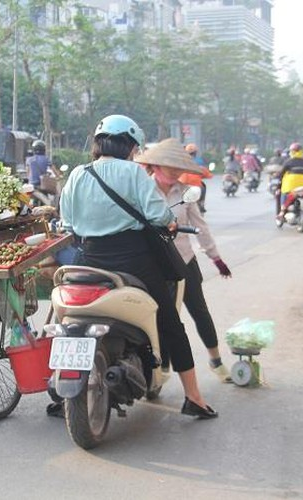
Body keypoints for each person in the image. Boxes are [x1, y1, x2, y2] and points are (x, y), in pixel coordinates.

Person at [60, 115, 217, 419]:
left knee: (62, 318)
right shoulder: (133, 173)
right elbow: (159, 216)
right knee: (171, 323)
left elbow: (67, 221)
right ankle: (194, 397)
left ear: (99, 142)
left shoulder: (79, 174)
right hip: (133, 261)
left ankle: (57, 395)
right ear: (131, 145)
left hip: (88, 259)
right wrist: (171, 222)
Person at [136, 138, 233, 383]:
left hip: (185, 261)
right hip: (157, 264)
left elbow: (201, 227)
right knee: (164, 317)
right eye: (170, 169)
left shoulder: (185, 193)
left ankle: (216, 360)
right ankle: (163, 365)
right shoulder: (142, 190)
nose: (176, 174)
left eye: (178, 169)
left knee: (200, 312)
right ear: (155, 167)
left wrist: (216, 258)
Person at [276, 142, 303, 222]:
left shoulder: (288, 161)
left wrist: (278, 186)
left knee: (284, 194)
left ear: (292, 151)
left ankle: (282, 213)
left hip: (291, 185)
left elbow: (281, 174)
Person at [26, 139, 60, 205]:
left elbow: (28, 172)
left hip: (32, 186)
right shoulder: (46, 159)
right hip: (42, 186)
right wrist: (58, 176)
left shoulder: (29, 160)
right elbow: (54, 170)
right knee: (51, 203)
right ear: (44, 149)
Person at [182, 143, 212, 214]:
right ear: (195, 153)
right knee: (203, 186)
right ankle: (201, 203)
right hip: (196, 186)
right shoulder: (199, 161)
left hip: (183, 185)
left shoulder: (182, 161)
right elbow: (207, 174)